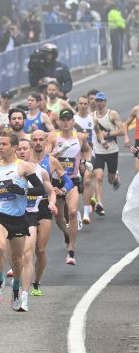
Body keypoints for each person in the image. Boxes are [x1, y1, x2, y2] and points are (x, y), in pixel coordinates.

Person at [0, 133, 45, 311]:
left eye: (4, 144)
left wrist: (22, 190)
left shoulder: (24, 167)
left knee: (17, 259)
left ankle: (17, 288)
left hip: (18, 219)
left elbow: (40, 189)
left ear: (13, 147)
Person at [16, 137, 57, 311]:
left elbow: (50, 191)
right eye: (19, 149)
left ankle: (30, 288)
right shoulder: (9, 170)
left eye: (26, 148)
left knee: (33, 252)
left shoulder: (41, 171)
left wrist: (52, 202)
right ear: (15, 151)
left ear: (31, 150)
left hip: (35, 212)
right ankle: (17, 281)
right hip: (14, 216)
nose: (23, 151)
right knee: (15, 256)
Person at [47, 110, 91, 265]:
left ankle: (71, 250)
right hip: (55, 182)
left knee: (72, 212)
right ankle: (67, 234)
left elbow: (87, 150)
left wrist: (86, 163)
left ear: (73, 121)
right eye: (63, 119)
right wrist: (60, 151)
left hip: (71, 180)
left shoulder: (79, 137)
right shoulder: (53, 137)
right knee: (58, 217)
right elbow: (46, 158)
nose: (65, 122)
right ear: (59, 122)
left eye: (68, 119)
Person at [29, 129, 68, 295]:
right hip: (27, 205)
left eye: (40, 140)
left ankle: (36, 282)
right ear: (31, 142)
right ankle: (22, 277)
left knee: (41, 250)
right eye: (35, 140)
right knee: (27, 248)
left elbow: (68, 181)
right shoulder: (24, 160)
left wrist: (63, 189)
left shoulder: (52, 161)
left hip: (44, 205)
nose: (38, 142)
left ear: (46, 142)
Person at [92, 92, 123, 215]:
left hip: (112, 150)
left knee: (110, 179)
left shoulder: (112, 114)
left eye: (101, 101)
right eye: (97, 101)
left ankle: (115, 178)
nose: (99, 103)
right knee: (98, 176)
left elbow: (121, 130)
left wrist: (108, 134)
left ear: (105, 101)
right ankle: (100, 204)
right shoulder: (92, 116)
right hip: (98, 151)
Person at [74, 96, 96, 224]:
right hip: (75, 156)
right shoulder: (73, 120)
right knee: (76, 186)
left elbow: (97, 132)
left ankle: (86, 213)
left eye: (85, 103)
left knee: (87, 180)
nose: (82, 105)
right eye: (80, 103)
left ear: (88, 104)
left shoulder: (92, 119)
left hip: (89, 154)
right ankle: (74, 212)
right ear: (77, 104)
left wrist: (103, 141)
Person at [108, 3, 126, 70]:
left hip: (112, 31)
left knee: (114, 48)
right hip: (117, 31)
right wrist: (124, 26)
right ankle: (118, 65)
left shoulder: (110, 13)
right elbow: (119, 22)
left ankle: (115, 64)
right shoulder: (116, 13)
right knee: (118, 48)